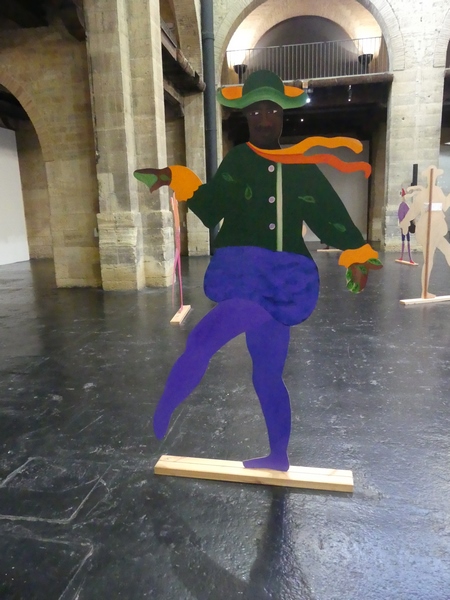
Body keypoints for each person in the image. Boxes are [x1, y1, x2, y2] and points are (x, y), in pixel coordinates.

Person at [135, 70, 382, 471]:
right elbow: (212, 207)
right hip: (245, 275)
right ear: (246, 116)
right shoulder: (239, 161)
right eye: (255, 112)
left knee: (205, 341)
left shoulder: (300, 166)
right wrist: (177, 178)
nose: (264, 119)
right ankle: (277, 455)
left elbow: (328, 213)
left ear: (283, 114)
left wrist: (357, 253)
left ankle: (167, 411)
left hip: (282, 282)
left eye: (271, 111)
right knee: (265, 374)